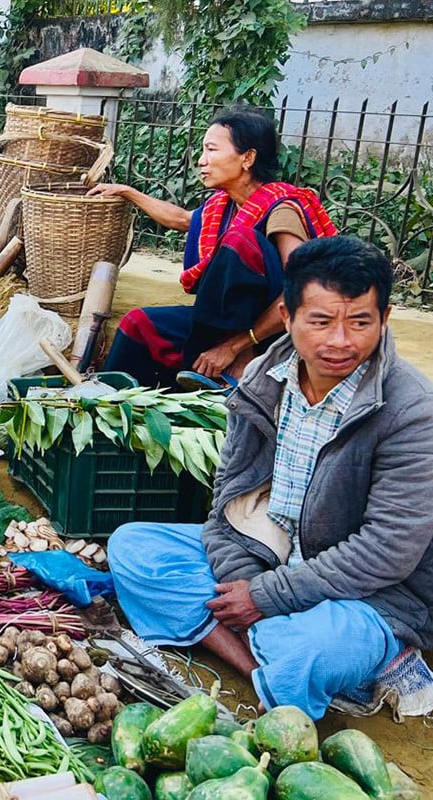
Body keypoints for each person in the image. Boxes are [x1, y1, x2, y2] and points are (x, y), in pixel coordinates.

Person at [108, 236, 433, 721]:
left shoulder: (411, 410)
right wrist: (248, 583)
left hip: (368, 592)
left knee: (312, 648)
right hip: (267, 551)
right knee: (133, 548)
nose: (340, 341)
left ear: (384, 320)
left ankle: (369, 655)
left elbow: (387, 550)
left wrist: (265, 597)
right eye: (321, 321)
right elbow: (228, 497)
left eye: (360, 322)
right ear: (288, 316)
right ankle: (255, 663)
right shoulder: (264, 376)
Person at [92, 108, 337, 389]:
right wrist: (128, 192)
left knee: (239, 241)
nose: (201, 160)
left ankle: (227, 367)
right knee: (139, 324)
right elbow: (182, 219)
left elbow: (304, 290)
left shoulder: (281, 209)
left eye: (211, 150)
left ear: (248, 158)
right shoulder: (222, 206)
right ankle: (108, 402)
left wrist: (237, 345)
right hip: (213, 326)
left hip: (273, 330)